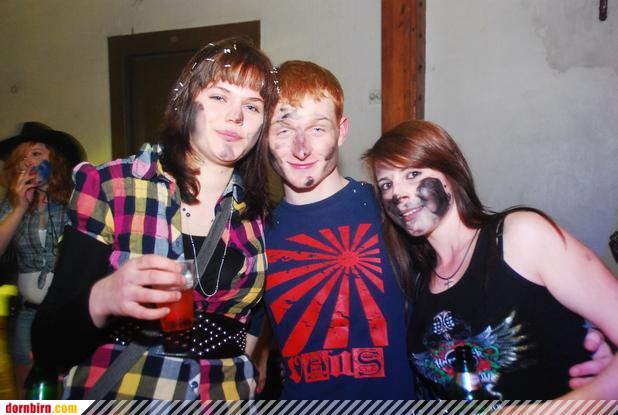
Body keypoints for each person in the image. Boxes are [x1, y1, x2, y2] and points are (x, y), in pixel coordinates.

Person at [31, 37, 278, 400]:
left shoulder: (259, 217)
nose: (236, 116)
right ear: (187, 102)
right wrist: (104, 297)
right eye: (219, 97)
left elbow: (255, 321)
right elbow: (48, 343)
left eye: (252, 106)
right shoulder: (112, 186)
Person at [363, 119, 618, 400]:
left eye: (412, 174)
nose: (397, 194)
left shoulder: (520, 236)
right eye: (386, 184)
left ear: (449, 174)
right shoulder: (417, 280)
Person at [255, 60, 415, 399]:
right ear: (263, 137)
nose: (301, 148)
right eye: (284, 130)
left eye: (317, 129)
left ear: (341, 132)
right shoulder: (254, 235)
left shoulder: (388, 209)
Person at [0, 121, 85, 397]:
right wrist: (19, 207)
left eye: (36, 153)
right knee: (33, 400)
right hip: (28, 316)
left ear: (55, 160)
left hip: (70, 314)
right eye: (22, 157)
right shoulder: (11, 204)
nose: (28, 161)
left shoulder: (76, 198)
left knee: (75, 394)